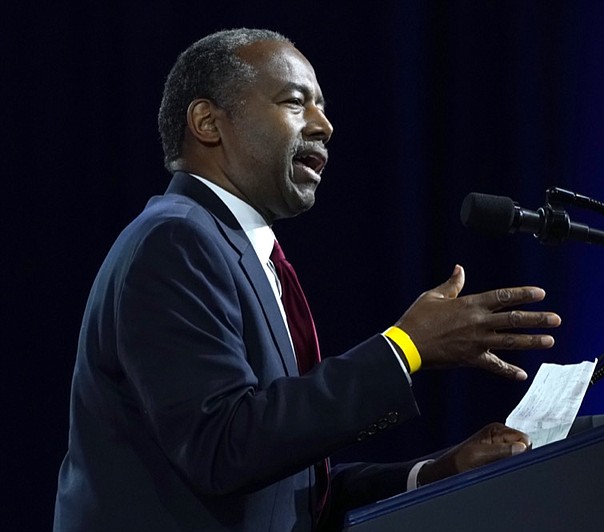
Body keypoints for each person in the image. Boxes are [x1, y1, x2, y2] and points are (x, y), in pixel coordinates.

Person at [53, 28, 561, 532]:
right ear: (208, 122)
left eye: (321, 105)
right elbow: (225, 449)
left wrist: (436, 471)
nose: (325, 125)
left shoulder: (247, 256)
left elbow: (283, 493)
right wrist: (404, 347)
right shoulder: (175, 242)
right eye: (295, 103)